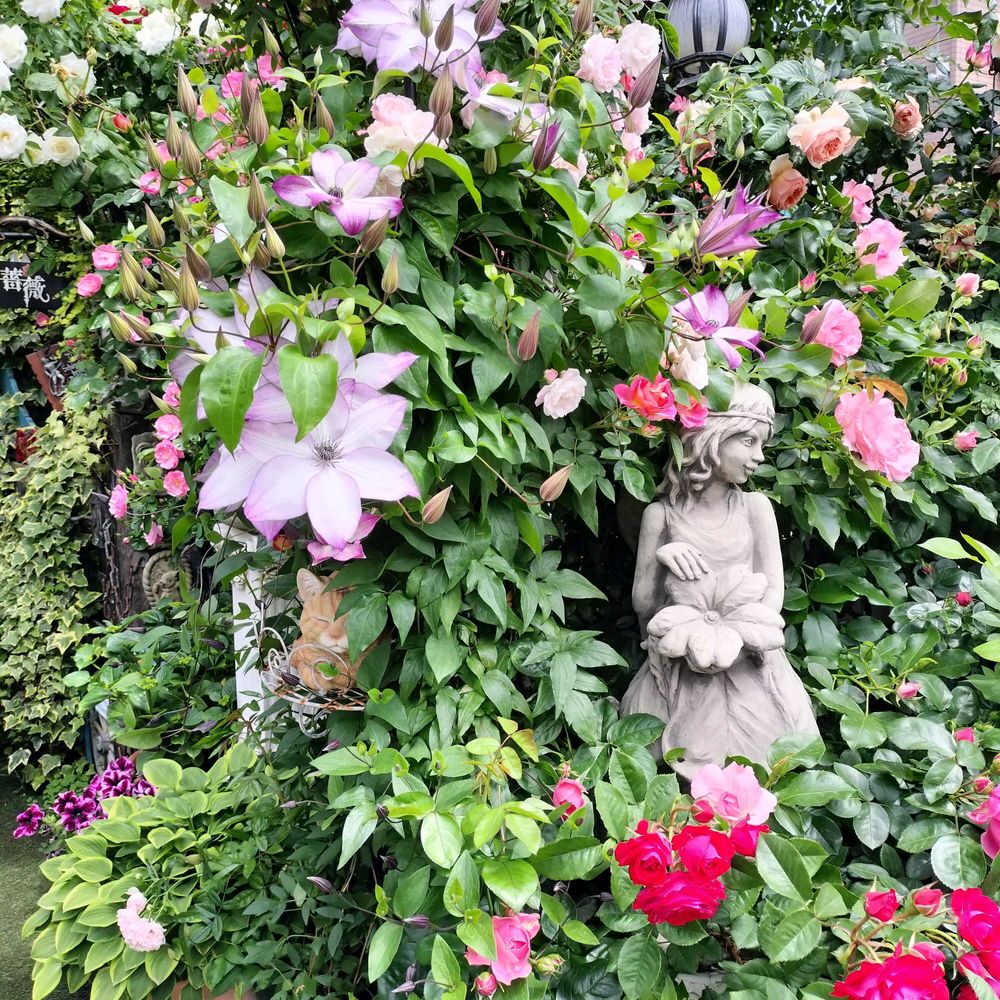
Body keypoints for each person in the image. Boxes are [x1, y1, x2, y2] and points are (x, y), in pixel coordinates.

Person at [621, 381, 818, 777]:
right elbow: (643, 604)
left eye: (761, 444)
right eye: (748, 441)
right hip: (678, 661)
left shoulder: (755, 508)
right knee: (666, 764)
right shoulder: (660, 516)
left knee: (763, 762)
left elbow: (773, 595)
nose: (758, 456)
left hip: (751, 660)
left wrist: (736, 640)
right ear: (711, 440)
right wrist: (663, 556)